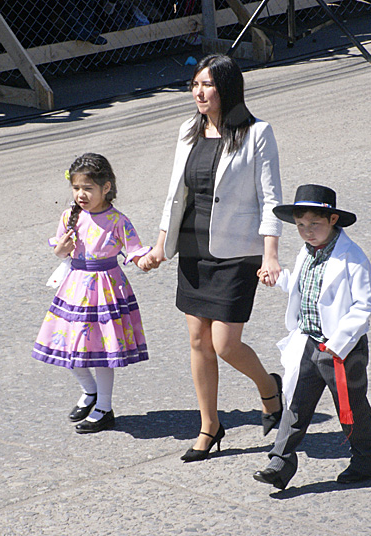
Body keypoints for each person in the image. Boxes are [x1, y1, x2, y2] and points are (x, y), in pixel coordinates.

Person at [142, 53, 284, 462]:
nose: (199, 93)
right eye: (195, 85)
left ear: (227, 89)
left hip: (237, 251)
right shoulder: (189, 129)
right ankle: (209, 426)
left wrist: (270, 255)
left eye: (207, 85)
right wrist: (160, 245)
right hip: (194, 247)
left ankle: (269, 389)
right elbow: (176, 193)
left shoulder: (257, 133)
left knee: (224, 343)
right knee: (198, 341)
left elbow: (270, 198)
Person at [253, 184, 371, 489]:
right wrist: (279, 278)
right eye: (300, 225)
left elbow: (362, 307)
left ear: (333, 220)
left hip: (342, 349)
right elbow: (304, 288)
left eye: (314, 224)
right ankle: (279, 464)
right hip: (309, 342)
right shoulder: (307, 251)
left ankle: (366, 459)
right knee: (295, 405)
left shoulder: (353, 257)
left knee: (351, 407)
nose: (307, 231)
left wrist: (337, 345)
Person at [32, 153, 151, 434]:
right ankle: (89, 391)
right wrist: (62, 248)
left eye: (88, 188)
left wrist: (145, 260)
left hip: (106, 290)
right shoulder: (69, 216)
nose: (80, 194)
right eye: (76, 188)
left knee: (101, 351)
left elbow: (134, 251)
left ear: (106, 187)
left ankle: (104, 407)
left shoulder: (118, 220)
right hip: (74, 288)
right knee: (66, 344)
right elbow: (60, 252)